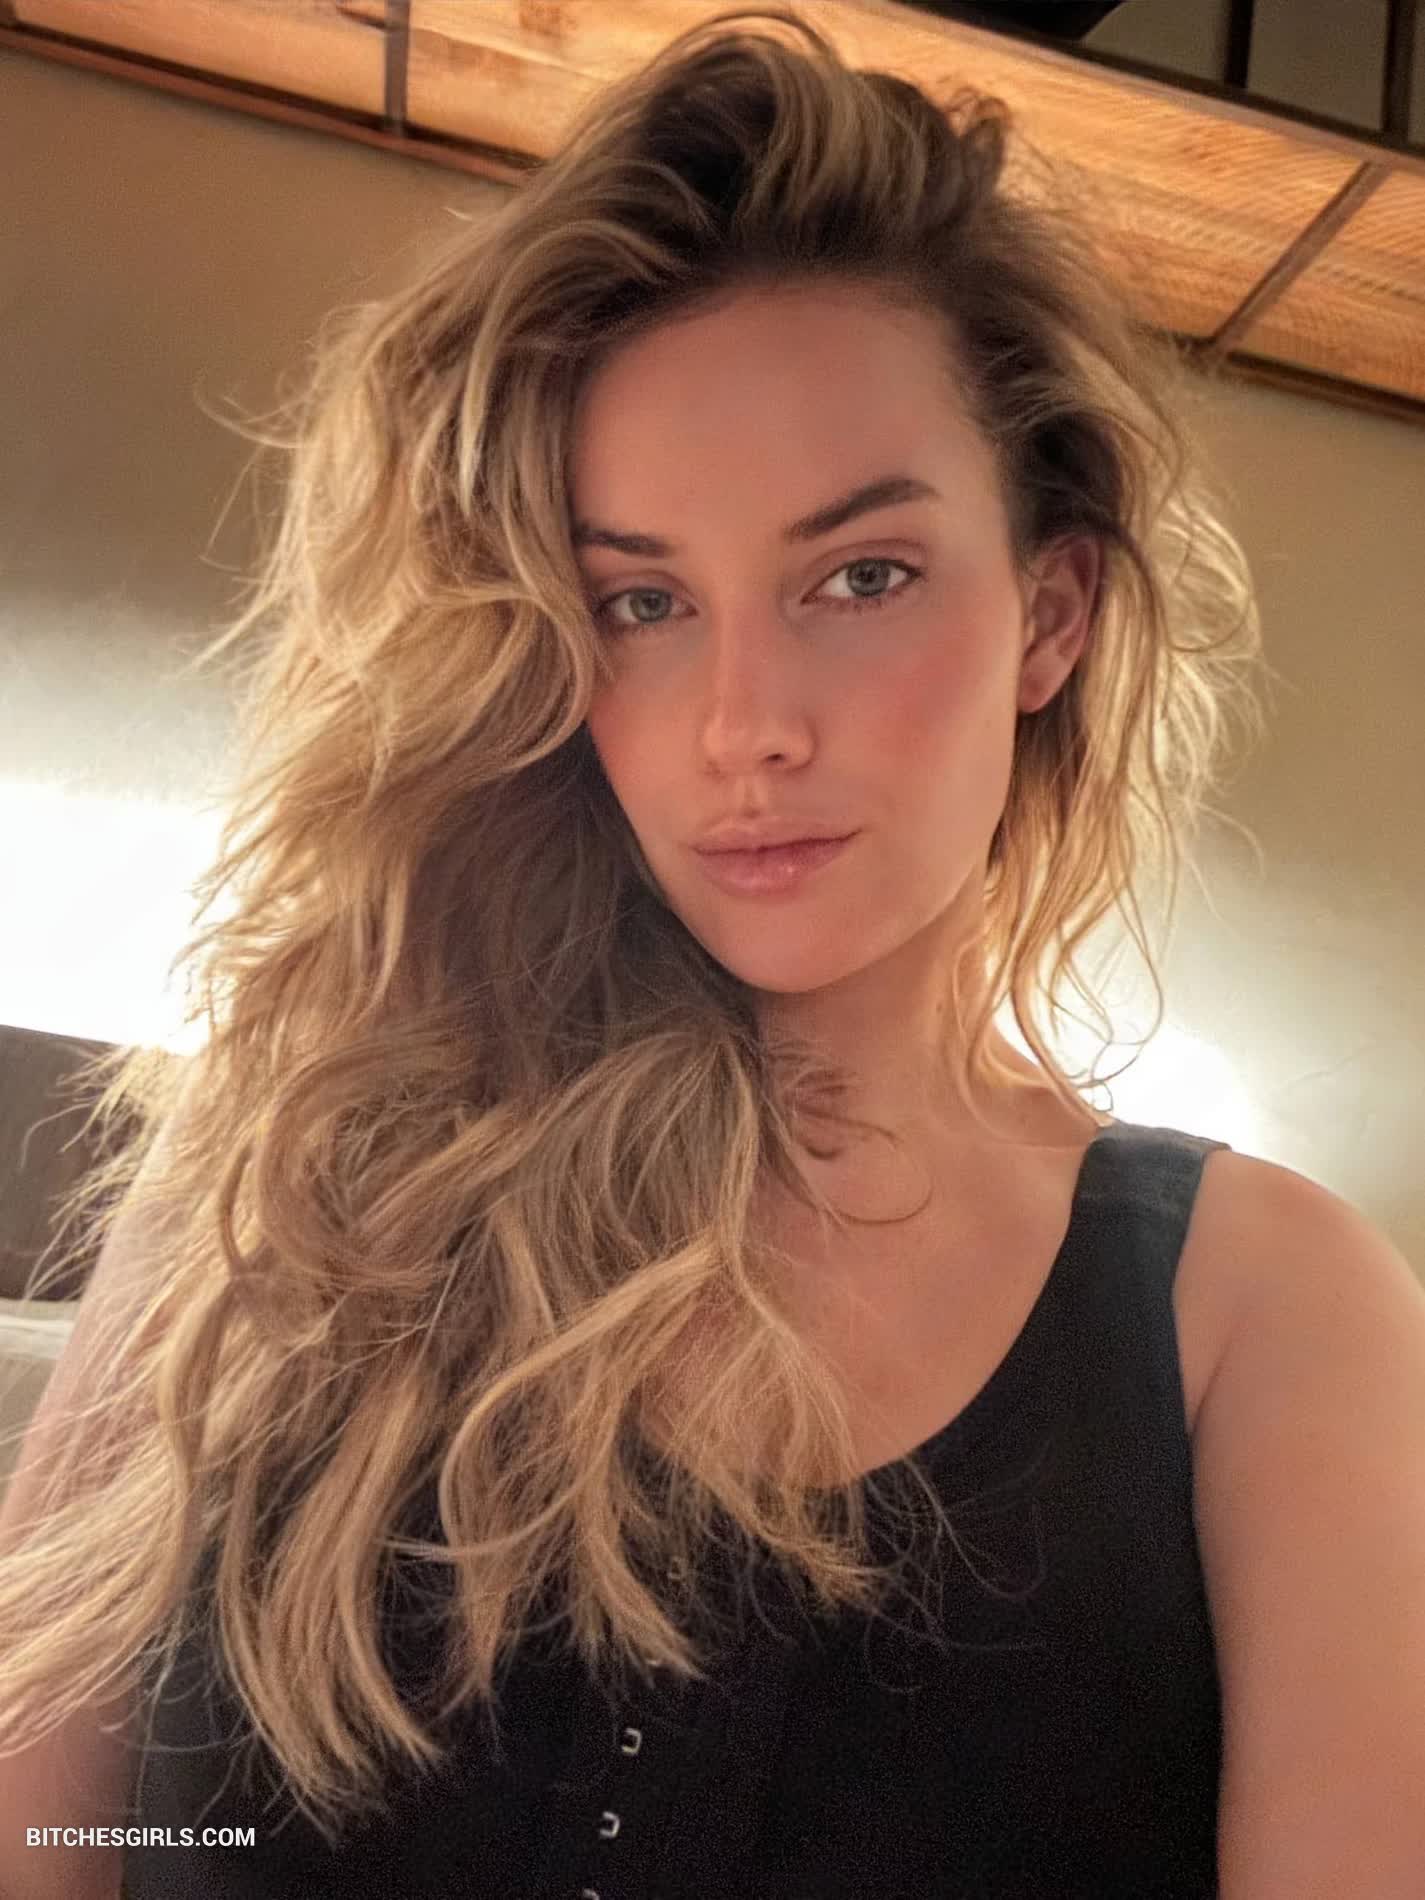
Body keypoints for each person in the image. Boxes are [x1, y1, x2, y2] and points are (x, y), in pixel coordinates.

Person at [0, 9, 1280, 1896]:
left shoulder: (1255, 1314)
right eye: (640, 601)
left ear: (1051, 612)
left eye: (860, 576)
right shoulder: (278, 1166)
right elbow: (50, 1822)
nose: (742, 725)